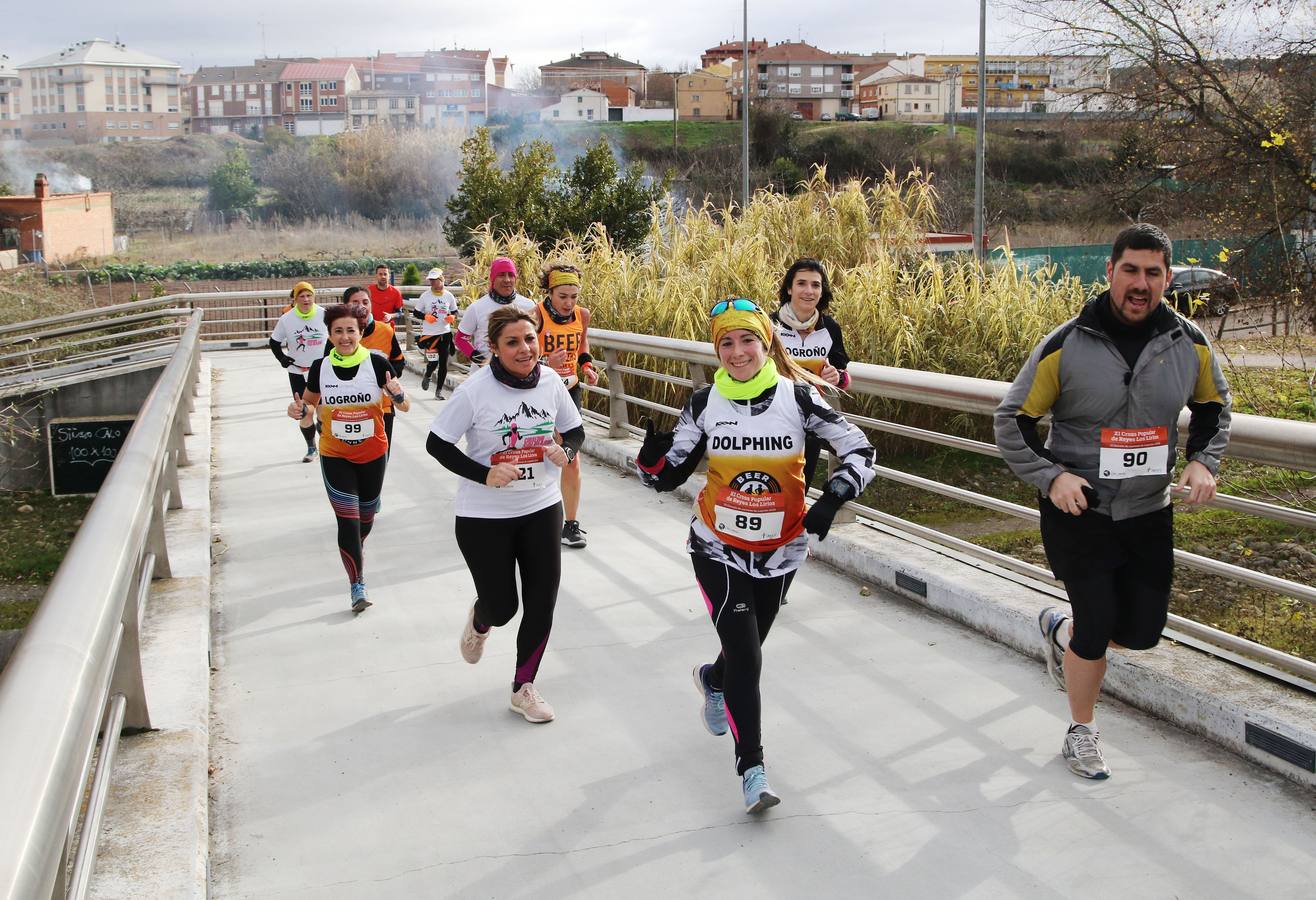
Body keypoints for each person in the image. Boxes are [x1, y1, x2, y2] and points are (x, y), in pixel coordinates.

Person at [994, 223, 1231, 780]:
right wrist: (1052, 477)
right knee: (1098, 620)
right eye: (1131, 270)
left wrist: (1203, 460)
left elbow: (1215, 408)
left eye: (1153, 273)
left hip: (1149, 511)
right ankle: (1082, 729)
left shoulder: (1189, 342)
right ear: (1110, 272)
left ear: (1168, 279)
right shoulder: (1067, 343)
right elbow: (1013, 419)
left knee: (1143, 631)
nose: (1140, 284)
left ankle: (1062, 634)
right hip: (1082, 511)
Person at [635, 298, 876, 814]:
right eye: (726, 342)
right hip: (716, 545)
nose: (737, 352)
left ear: (766, 342)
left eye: (747, 340)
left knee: (742, 651)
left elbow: (860, 449)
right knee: (748, 655)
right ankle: (753, 769)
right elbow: (667, 475)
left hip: (781, 550)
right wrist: (650, 457)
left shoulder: (799, 398)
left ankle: (712, 679)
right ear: (716, 350)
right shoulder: (704, 404)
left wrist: (833, 498)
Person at [427, 305, 585, 724]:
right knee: (502, 607)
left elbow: (575, 430)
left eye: (530, 339)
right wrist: (484, 473)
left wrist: (563, 451)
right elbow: (437, 444)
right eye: (512, 342)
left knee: (542, 600)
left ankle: (524, 688)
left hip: (540, 506)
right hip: (483, 516)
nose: (524, 348)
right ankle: (480, 620)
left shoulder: (551, 381)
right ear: (494, 348)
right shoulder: (474, 391)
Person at [288, 304, 411, 612]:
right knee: (348, 521)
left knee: (365, 519)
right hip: (335, 454)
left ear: (360, 332)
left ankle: (358, 542)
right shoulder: (320, 368)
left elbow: (405, 405)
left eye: (351, 330)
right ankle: (357, 585)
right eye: (338, 331)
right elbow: (309, 407)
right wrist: (300, 412)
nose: (345, 337)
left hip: (372, 454)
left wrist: (396, 395)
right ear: (329, 335)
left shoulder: (378, 363)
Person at [532, 263, 599, 549]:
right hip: (538, 391)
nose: (569, 302)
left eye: (573, 295)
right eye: (563, 296)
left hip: (569, 392)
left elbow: (581, 348)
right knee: (534, 454)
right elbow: (522, 356)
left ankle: (570, 525)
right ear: (550, 291)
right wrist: (546, 363)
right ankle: (531, 517)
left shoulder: (582, 315)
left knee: (571, 455)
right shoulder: (535, 315)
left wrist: (587, 367)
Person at [770, 258, 852, 490]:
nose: (809, 291)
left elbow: (843, 376)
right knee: (772, 488)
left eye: (815, 285)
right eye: (801, 283)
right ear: (789, 288)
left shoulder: (830, 327)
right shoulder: (769, 325)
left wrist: (837, 377)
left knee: (799, 488)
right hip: (771, 419)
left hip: (810, 419)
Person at [269, 281, 327, 463]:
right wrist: (282, 358)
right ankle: (311, 448)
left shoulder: (323, 314)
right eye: (301, 296)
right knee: (304, 410)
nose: (306, 299)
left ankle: (327, 444)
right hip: (297, 371)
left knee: (323, 411)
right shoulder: (287, 319)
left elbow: (335, 336)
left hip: (321, 371)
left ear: (314, 297)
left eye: (309, 295)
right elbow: (274, 342)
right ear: (295, 299)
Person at [454, 256, 535, 365]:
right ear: (492, 278)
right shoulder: (476, 308)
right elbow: (460, 339)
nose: (507, 280)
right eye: (501, 275)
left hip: (518, 372)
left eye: (511, 275)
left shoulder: (528, 305)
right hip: (484, 373)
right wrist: (481, 361)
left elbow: (536, 338)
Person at [416, 268, 459, 398]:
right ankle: (428, 375)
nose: (432, 282)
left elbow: (455, 311)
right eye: (431, 280)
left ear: (442, 279)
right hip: (430, 335)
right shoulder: (425, 296)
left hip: (444, 334)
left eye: (435, 280)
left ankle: (438, 391)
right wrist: (425, 317)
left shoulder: (449, 296)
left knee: (443, 363)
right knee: (433, 363)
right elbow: (417, 312)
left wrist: (452, 317)